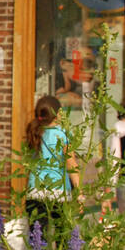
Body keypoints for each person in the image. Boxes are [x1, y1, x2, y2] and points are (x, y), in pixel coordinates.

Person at [25, 94, 79, 233]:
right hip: (58, 192)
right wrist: (80, 192)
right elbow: (71, 164)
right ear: (58, 113)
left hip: (35, 191)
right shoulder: (62, 135)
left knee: (37, 239)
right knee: (64, 238)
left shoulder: (34, 132)